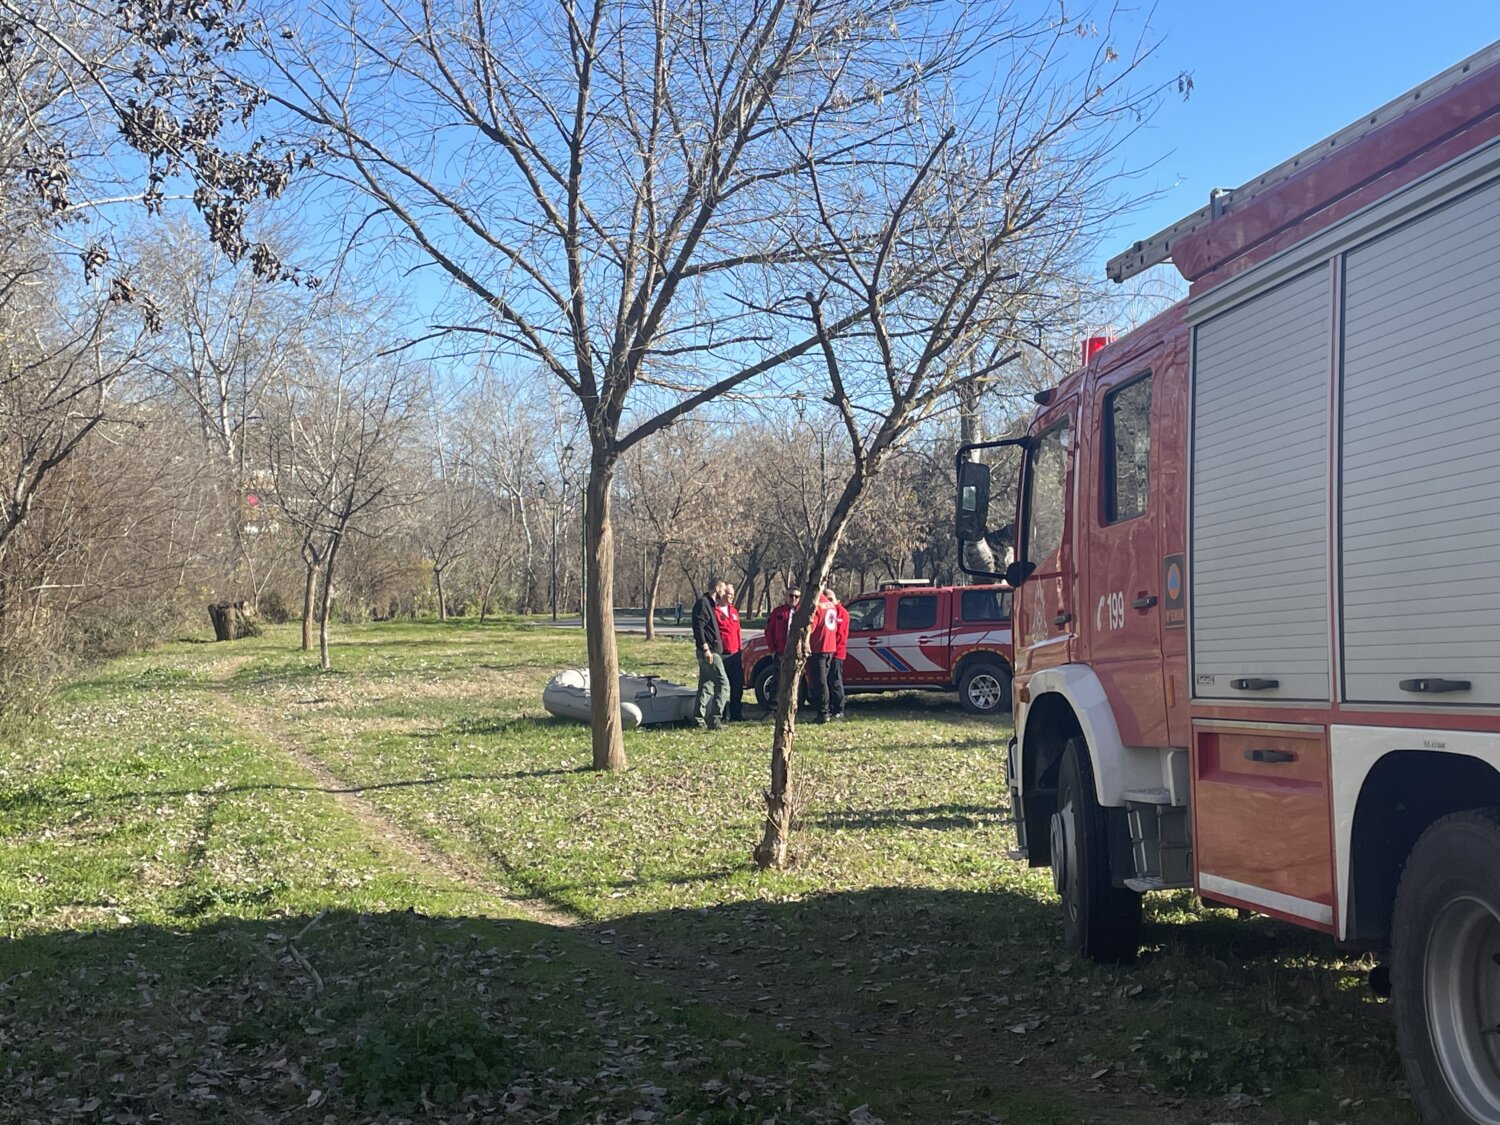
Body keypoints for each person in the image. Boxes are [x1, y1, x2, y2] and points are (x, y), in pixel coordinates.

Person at [691, 578, 730, 729]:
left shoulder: (710, 604)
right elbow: (698, 627)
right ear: (717, 588)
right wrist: (706, 648)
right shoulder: (703, 603)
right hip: (709, 651)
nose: (724, 593)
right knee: (723, 684)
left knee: (706, 684)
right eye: (723, 589)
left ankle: (698, 720)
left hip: (710, 650)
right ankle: (715, 719)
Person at [762, 586, 800, 710]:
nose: (793, 598)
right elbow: (769, 632)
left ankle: (792, 705)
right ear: (786, 596)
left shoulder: (802, 613)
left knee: (795, 680)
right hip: (781, 651)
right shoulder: (778, 612)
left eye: (796, 596)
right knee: (778, 679)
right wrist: (773, 650)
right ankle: (773, 706)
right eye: (791, 596)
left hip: (797, 653)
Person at [807, 587, 839, 723]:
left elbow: (810, 628)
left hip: (818, 647)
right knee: (824, 680)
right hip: (830, 647)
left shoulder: (816, 605)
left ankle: (823, 712)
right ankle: (826, 709)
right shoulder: (830, 605)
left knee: (820, 682)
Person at [716, 583, 745, 722]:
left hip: (735, 654)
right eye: (729, 595)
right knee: (721, 686)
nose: (731, 597)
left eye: (733, 595)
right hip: (721, 654)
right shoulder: (715, 611)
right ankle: (720, 714)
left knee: (737, 685)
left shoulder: (733, 611)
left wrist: (740, 648)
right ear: (722, 594)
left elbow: (738, 631)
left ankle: (736, 714)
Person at [829, 588, 849, 721]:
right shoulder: (828, 611)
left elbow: (840, 635)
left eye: (830, 599)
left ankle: (839, 709)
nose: (829, 602)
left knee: (836, 680)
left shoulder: (842, 612)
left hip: (837, 652)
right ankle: (830, 707)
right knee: (828, 681)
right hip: (827, 652)